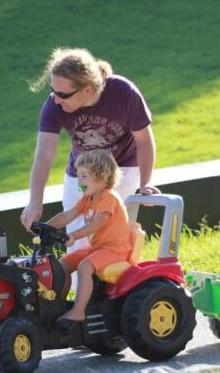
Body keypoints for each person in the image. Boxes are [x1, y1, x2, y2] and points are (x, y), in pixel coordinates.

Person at [21, 47, 160, 253]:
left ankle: (119, 285)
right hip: (81, 174)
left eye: (62, 94)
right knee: (76, 244)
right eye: (52, 90)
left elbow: (144, 141)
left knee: (114, 240)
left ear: (87, 90)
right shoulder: (54, 106)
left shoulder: (124, 93)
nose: (55, 98)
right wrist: (35, 201)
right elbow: (44, 156)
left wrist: (145, 183)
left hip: (122, 170)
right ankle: (80, 286)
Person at [43, 150, 132, 327]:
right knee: (62, 265)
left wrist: (74, 236)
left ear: (103, 176)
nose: (79, 181)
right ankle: (60, 305)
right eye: (78, 176)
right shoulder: (88, 198)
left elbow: (96, 225)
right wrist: (44, 227)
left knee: (84, 267)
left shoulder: (109, 199)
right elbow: (67, 215)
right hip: (98, 248)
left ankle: (78, 311)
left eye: (84, 176)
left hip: (115, 251)